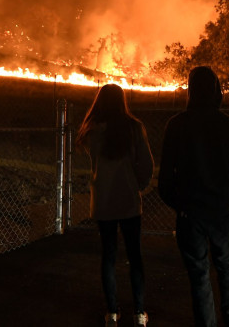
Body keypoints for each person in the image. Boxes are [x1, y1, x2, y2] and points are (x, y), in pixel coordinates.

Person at [158, 66, 229, 327]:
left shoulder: (176, 125)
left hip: (190, 214)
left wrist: (181, 204)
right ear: (216, 90)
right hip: (219, 212)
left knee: (198, 275)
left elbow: (165, 179)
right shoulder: (228, 125)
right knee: (226, 268)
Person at [78, 83, 155, 327]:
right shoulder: (134, 128)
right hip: (129, 200)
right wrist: (138, 185)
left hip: (103, 201)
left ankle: (112, 312)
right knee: (135, 255)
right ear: (122, 102)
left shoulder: (91, 131)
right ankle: (139, 313)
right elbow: (147, 164)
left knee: (108, 256)